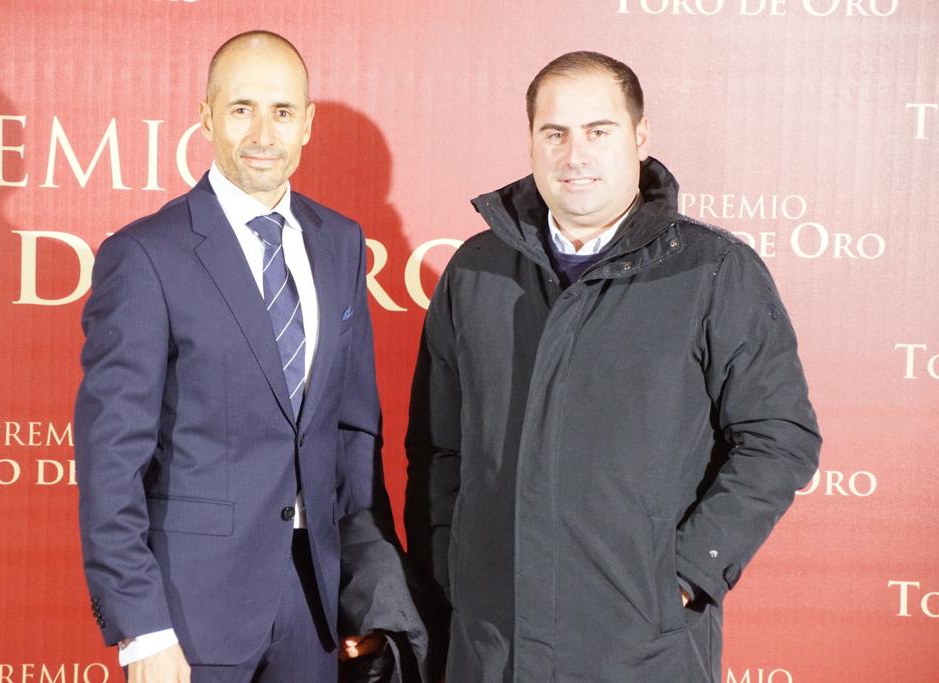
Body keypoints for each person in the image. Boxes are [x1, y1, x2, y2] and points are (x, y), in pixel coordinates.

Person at [404, 51, 821, 682]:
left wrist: (685, 574)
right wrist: (455, 570)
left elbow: (779, 438)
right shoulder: (475, 271)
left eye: (598, 132)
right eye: (556, 133)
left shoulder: (712, 272)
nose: (575, 155)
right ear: (532, 142)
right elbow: (440, 449)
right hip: (493, 646)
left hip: (640, 649)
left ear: (640, 138)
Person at [75, 31, 426, 683]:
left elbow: (352, 429)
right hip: (190, 611)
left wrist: (366, 583)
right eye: (242, 109)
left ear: (307, 123)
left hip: (313, 606)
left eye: (282, 111)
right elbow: (110, 457)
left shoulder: (341, 242)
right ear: (207, 116)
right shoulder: (146, 255)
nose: (263, 132)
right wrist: (142, 624)